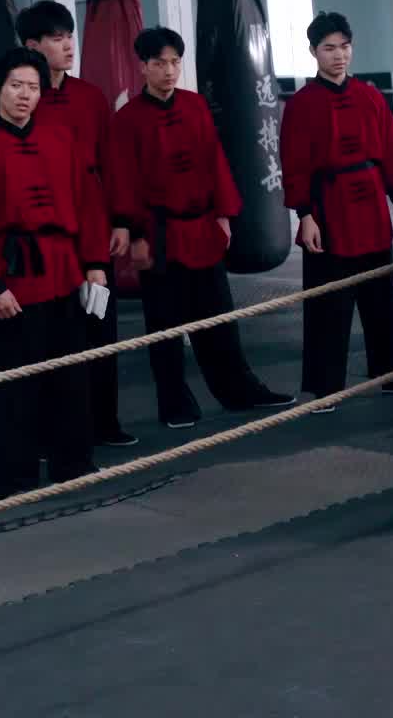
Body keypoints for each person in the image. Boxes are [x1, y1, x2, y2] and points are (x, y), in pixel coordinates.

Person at [109, 26, 289, 428]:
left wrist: (224, 215)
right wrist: (136, 235)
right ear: (143, 67)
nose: (169, 71)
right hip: (159, 234)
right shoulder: (127, 120)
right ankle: (174, 403)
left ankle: (239, 390)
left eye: (175, 62)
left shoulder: (194, 106)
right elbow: (123, 179)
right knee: (164, 325)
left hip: (203, 227)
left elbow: (215, 161)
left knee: (218, 317)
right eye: (160, 63)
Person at [0, 48, 106, 500]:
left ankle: (74, 463)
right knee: (12, 384)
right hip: (12, 278)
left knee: (70, 376)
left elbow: (88, 202)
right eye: (16, 86)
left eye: (33, 87)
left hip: (64, 270)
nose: (25, 95)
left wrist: (95, 263)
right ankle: (15, 479)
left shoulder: (60, 139)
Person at [8, 1, 137, 448]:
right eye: (57, 38)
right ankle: (52, 434)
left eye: (70, 37)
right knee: (51, 336)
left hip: (94, 225)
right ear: (32, 46)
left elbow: (112, 162)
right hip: (44, 233)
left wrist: (121, 221)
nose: (68, 46)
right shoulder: (19, 100)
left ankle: (104, 422)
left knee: (100, 325)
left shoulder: (90, 96)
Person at [279, 10, 393, 410]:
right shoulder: (301, 104)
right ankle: (324, 387)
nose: (339, 55)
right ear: (313, 52)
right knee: (328, 302)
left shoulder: (371, 97)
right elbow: (294, 163)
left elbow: (392, 151)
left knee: (382, 295)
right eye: (329, 48)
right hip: (328, 208)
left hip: (371, 204)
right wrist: (305, 215)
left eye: (344, 47)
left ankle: (392, 374)